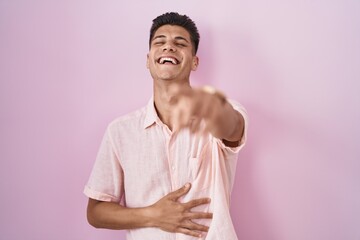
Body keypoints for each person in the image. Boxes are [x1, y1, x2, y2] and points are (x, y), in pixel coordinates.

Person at [84, 12, 248, 240]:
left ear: (194, 62)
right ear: (148, 59)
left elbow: (231, 127)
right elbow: (96, 212)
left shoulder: (221, 112)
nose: (168, 47)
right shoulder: (120, 131)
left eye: (180, 43)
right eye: (159, 42)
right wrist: (152, 215)